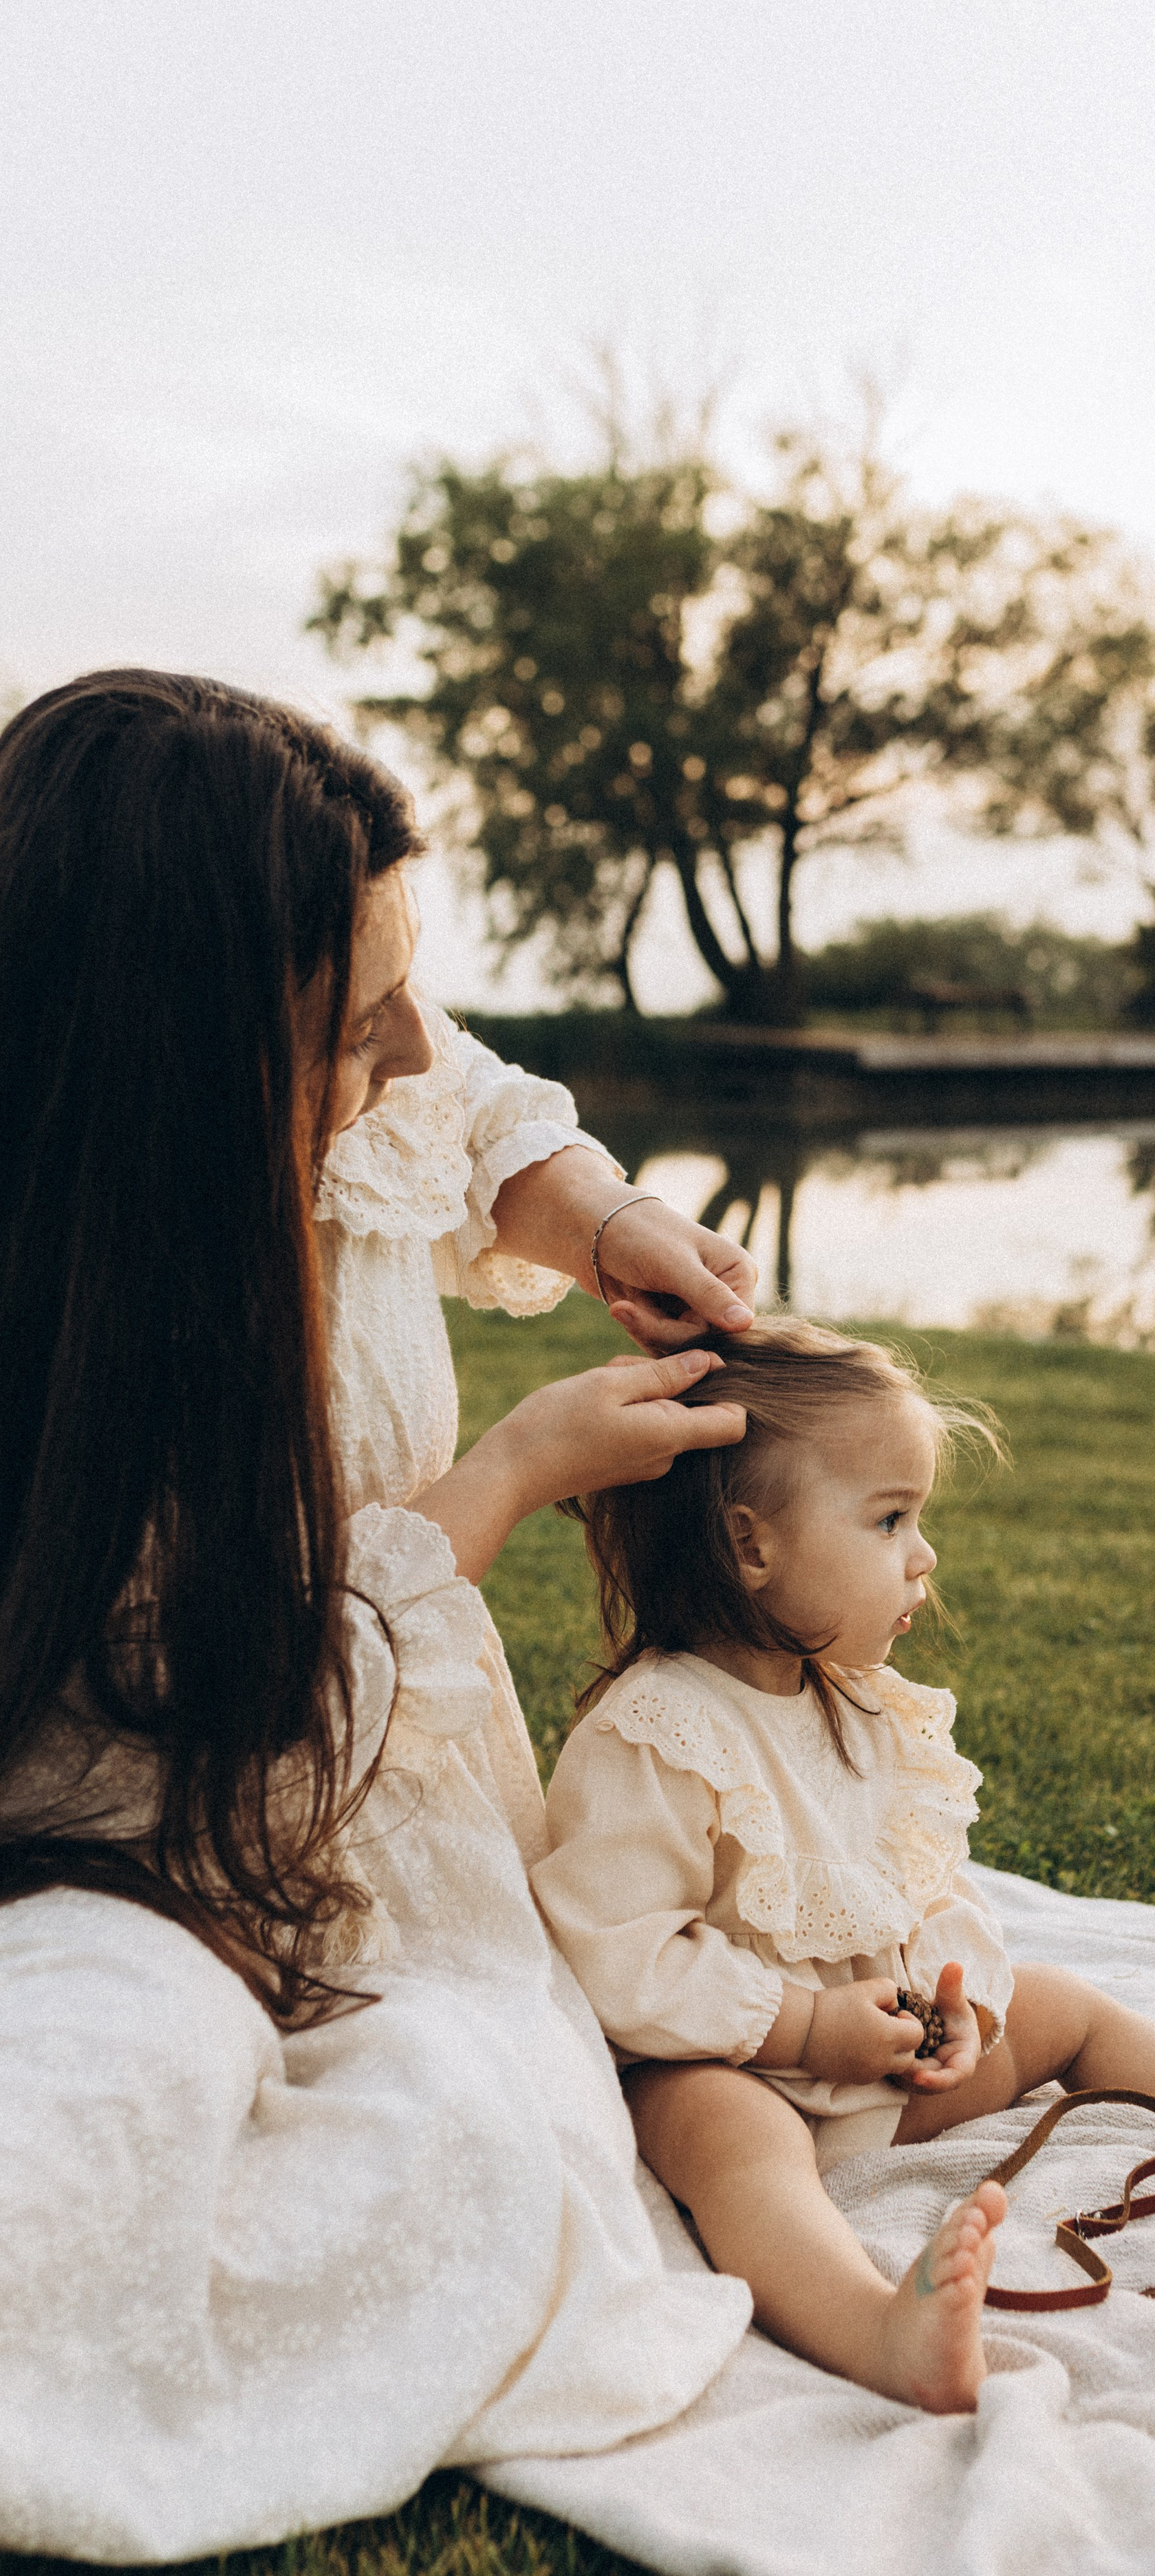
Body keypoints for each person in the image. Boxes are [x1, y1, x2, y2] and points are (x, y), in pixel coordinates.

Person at [0, 670, 759, 2562]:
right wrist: (499, 1484)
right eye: (358, 1019)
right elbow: (155, 1731)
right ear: (189, 1051)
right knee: (116, 2086)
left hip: (385, 1825)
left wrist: (607, 1219)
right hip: (131, 1835)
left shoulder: (348, 1096)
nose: (411, 1051)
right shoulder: (79, 1296)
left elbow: (482, 1102)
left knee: (474, 2134)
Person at [533, 1317, 1155, 2416]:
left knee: (1059, 2004)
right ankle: (868, 2325)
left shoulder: (860, 1706)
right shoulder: (660, 1730)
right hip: (741, 2073)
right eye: (890, 1517)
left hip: (887, 2086)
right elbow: (617, 1952)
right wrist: (802, 2028)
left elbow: (925, 1884)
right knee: (726, 2135)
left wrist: (958, 2008)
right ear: (752, 1544)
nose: (923, 1554)